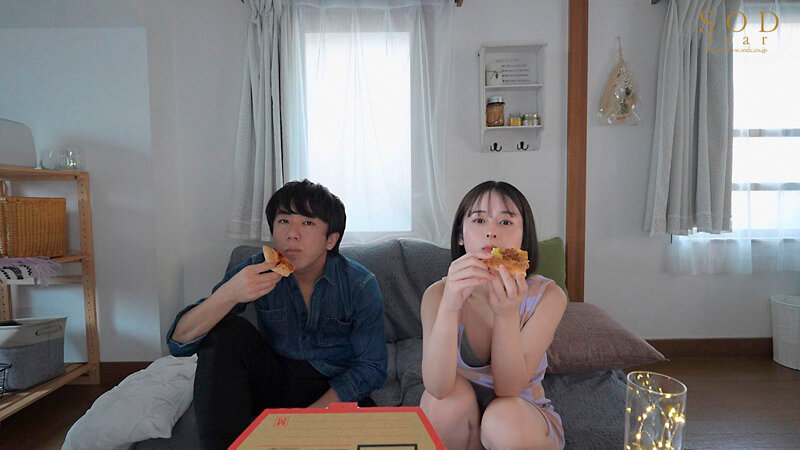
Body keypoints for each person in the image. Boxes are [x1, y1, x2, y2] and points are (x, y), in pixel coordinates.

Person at [166, 179, 388, 449]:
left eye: (307, 223)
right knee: (226, 331)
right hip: (275, 378)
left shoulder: (359, 284)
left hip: (332, 386)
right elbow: (178, 342)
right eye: (284, 221)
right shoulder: (256, 269)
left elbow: (371, 367)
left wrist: (306, 420)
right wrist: (229, 293)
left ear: (331, 239)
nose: (292, 234)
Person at [420, 181, 567, 450]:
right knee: (441, 403)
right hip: (460, 420)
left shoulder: (549, 297)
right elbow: (437, 387)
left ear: (524, 236)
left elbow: (509, 389)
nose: (491, 232)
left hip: (520, 417)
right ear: (460, 235)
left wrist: (506, 315)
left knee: (502, 419)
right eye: (479, 220)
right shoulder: (437, 295)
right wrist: (450, 305)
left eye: (506, 222)